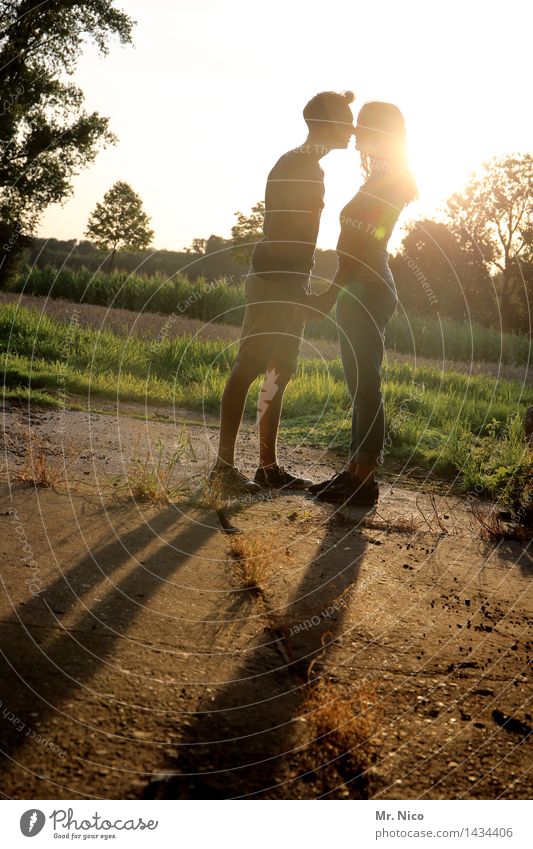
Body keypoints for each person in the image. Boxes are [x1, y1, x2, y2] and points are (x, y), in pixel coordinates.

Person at [210, 91, 355, 494]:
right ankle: (222, 468)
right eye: (347, 120)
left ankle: (267, 468)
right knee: (248, 368)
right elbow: (281, 237)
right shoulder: (299, 166)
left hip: (291, 282)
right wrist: (295, 293)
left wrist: (301, 288)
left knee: (278, 371)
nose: (353, 128)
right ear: (326, 124)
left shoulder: (309, 165)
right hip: (277, 282)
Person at [308, 101, 418, 506]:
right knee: (359, 387)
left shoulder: (390, 180)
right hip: (362, 288)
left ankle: (365, 480)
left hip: (366, 288)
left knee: (366, 387)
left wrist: (329, 293)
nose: (355, 134)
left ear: (381, 132)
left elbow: (359, 246)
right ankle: (354, 473)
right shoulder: (381, 176)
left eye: (362, 128)